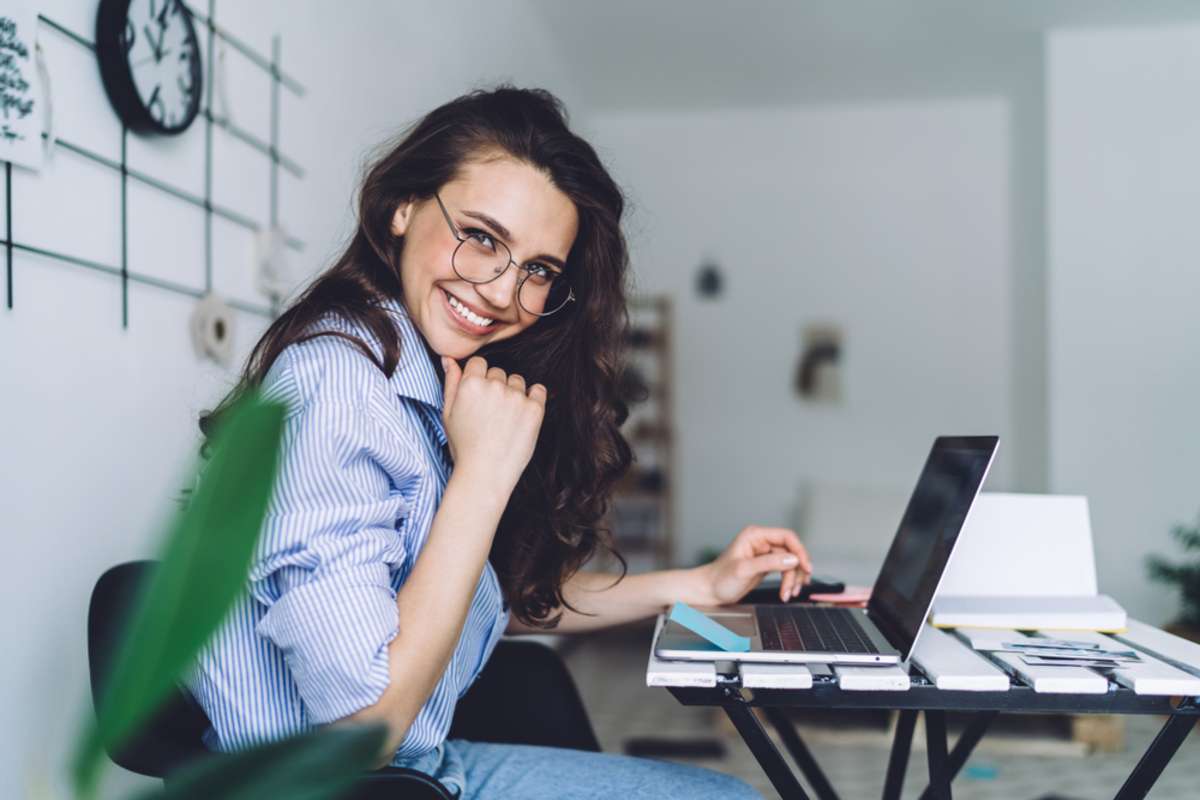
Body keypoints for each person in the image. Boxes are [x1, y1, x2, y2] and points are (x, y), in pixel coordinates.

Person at [189, 85, 811, 799]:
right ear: (403, 208)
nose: (501, 292)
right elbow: (365, 721)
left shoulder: (414, 378)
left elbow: (472, 598)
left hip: (415, 771)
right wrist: (483, 474)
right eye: (482, 237)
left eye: (539, 271)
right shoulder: (339, 389)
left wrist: (696, 589)